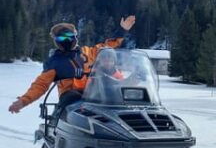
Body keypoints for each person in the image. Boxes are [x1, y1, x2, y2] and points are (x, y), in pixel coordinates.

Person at [7, 16, 135, 114]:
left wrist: (122, 31)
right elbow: (41, 84)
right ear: (56, 42)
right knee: (74, 98)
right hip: (71, 99)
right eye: (61, 39)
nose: (66, 41)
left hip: (95, 95)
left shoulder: (89, 52)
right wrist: (24, 101)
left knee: (113, 93)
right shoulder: (55, 62)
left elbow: (108, 46)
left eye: (68, 36)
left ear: (75, 37)